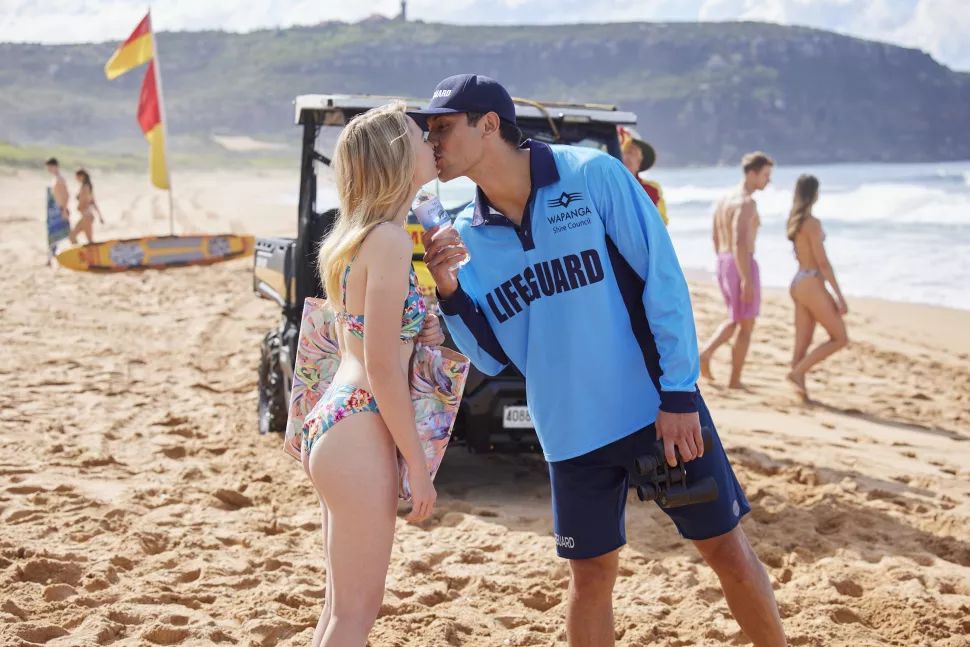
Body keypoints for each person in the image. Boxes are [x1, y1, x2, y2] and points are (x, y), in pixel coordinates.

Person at [413, 75, 786, 647]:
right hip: (569, 433)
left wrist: (679, 394)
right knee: (589, 578)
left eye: (443, 127)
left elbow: (663, 280)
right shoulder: (466, 235)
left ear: (488, 124)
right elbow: (490, 354)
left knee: (726, 552)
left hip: (654, 413)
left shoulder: (591, 175)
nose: (432, 141)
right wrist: (450, 290)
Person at [303, 101, 445, 647]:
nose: (431, 141)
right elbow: (383, 367)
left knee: (339, 610)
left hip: (337, 418)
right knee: (355, 615)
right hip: (362, 424)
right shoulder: (388, 241)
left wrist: (421, 325)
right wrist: (418, 465)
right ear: (396, 158)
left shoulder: (359, 236)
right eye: (420, 136)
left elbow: (359, 340)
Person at [698, 152, 774, 389]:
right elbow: (740, 241)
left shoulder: (724, 199)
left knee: (737, 318)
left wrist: (726, 266)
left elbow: (715, 236)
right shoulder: (746, 202)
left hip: (724, 261)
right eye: (765, 175)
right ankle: (733, 379)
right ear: (751, 173)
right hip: (741, 262)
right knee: (746, 324)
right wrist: (745, 278)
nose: (768, 180)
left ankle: (707, 355)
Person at [785, 174, 849, 401]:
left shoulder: (794, 220)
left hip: (799, 281)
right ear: (814, 194)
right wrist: (839, 296)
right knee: (840, 337)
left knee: (802, 342)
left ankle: (800, 394)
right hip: (811, 282)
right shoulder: (812, 223)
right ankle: (798, 373)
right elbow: (822, 262)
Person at [618, 126, 668, 225]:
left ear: (639, 162)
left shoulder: (652, 189)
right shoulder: (600, 186)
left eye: (631, 152)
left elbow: (660, 224)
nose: (625, 157)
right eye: (621, 152)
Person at [69, 169, 105, 244]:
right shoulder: (87, 187)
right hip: (86, 216)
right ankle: (79, 250)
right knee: (72, 236)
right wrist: (100, 216)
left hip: (86, 216)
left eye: (77, 177)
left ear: (82, 176)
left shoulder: (85, 187)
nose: (76, 179)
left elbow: (86, 201)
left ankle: (90, 251)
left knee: (89, 240)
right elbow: (93, 202)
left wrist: (79, 206)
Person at [45, 157, 70, 264]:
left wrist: (64, 209)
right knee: (52, 235)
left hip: (58, 210)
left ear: (55, 166)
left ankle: (55, 258)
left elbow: (66, 195)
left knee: (64, 233)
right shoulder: (55, 179)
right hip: (53, 212)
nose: (48, 169)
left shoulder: (60, 179)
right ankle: (51, 257)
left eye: (50, 167)